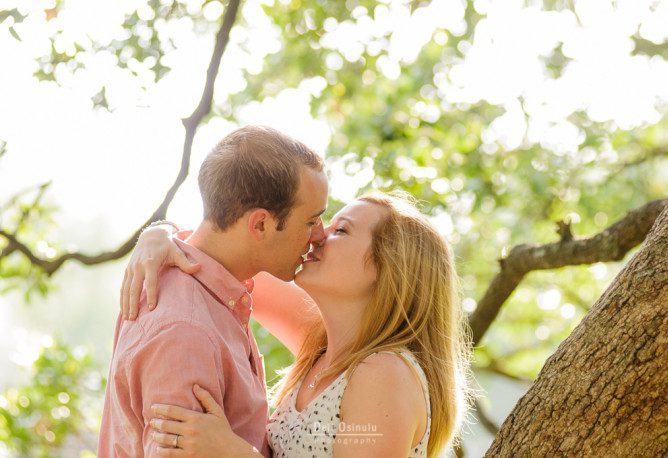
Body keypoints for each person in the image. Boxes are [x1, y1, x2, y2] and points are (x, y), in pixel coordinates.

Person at [121, 192, 473, 457]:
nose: (318, 235)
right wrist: (159, 234)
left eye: (341, 230)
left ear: (388, 268)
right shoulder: (322, 344)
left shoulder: (385, 373)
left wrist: (234, 452)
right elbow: (217, 252)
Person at [98, 125, 329, 457]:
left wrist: (161, 231)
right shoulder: (186, 331)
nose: (319, 235)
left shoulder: (219, 291)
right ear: (260, 224)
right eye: (310, 221)